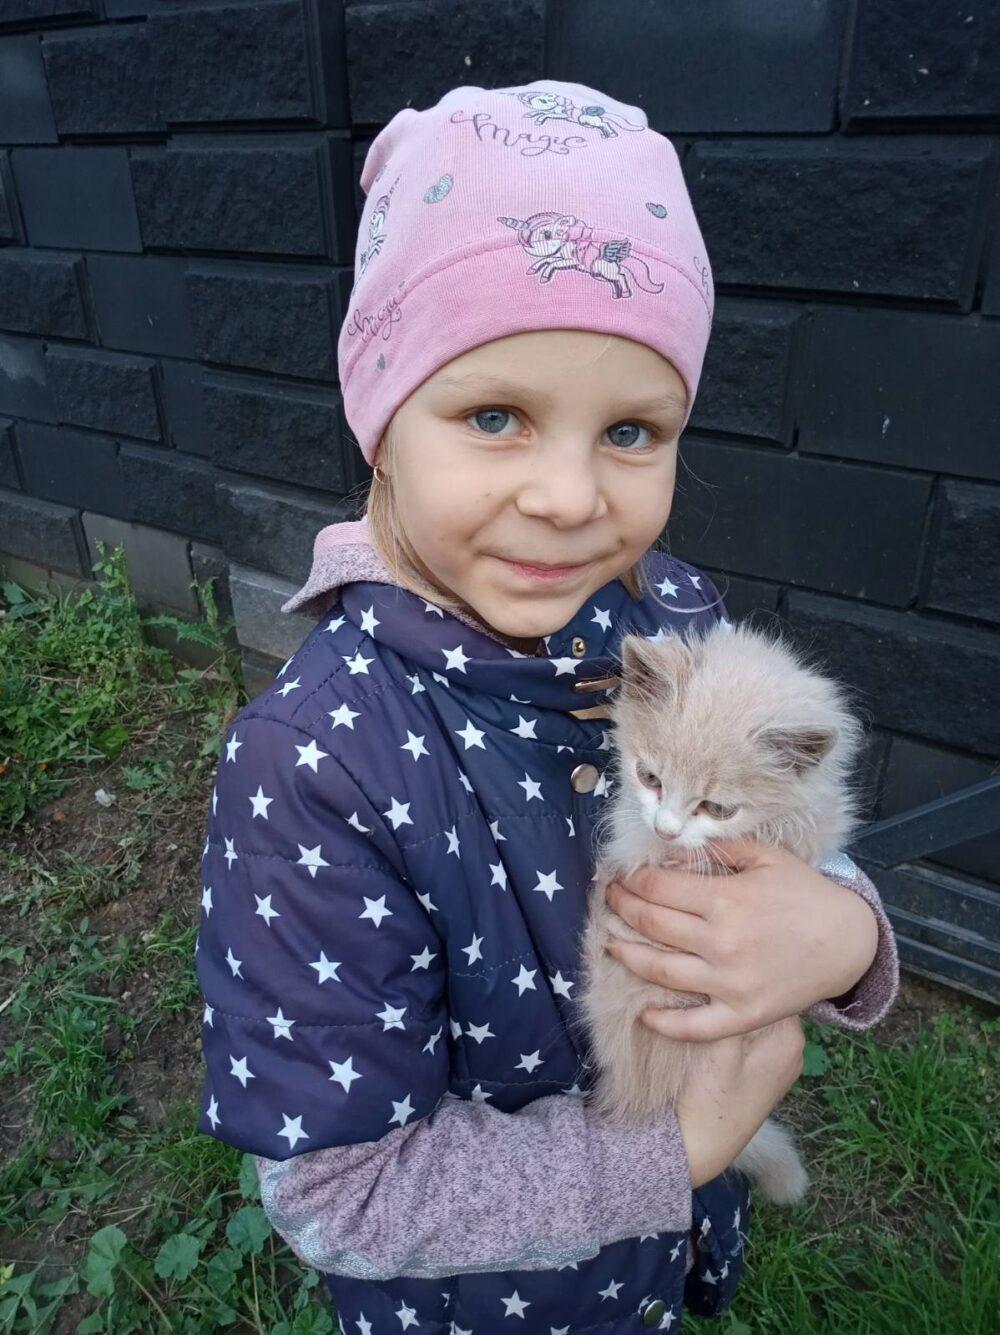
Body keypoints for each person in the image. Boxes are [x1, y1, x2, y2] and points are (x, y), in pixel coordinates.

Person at [194, 79, 900, 1333]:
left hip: (657, 1255)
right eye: (495, 415)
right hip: (490, 1302)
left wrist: (847, 931)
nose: (571, 498)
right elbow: (342, 1200)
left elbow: (786, 816)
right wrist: (674, 1152)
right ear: (380, 421)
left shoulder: (669, 614)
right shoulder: (315, 766)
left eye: (630, 431)